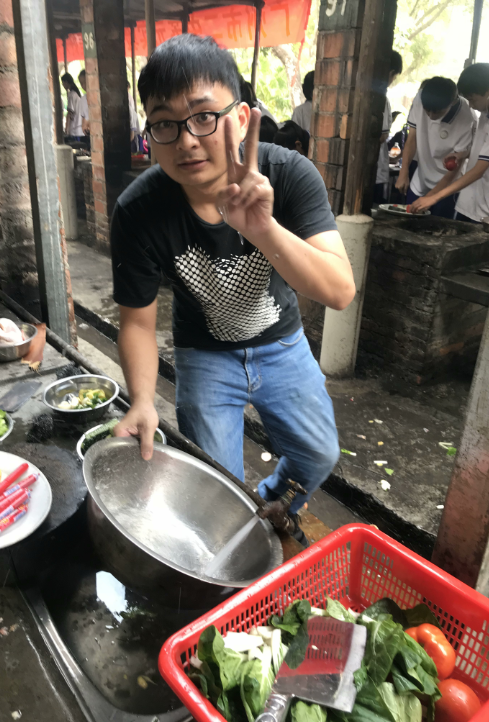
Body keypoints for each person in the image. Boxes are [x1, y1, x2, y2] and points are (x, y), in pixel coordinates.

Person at [110, 34, 355, 541]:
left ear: (241, 118)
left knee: (318, 454)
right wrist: (142, 400)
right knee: (214, 484)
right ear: (150, 133)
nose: (186, 140)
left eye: (204, 116)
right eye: (165, 123)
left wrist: (262, 229)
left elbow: (338, 291)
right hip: (203, 354)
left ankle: (273, 501)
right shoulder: (138, 210)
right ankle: (237, 536)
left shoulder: (288, 174)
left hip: (281, 342)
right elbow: (136, 321)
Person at [410, 64, 489, 223]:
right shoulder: (484, 114)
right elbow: (482, 151)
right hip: (471, 201)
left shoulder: (472, 116)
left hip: (484, 207)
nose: (470, 105)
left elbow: (479, 170)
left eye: (472, 99)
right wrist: (463, 154)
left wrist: (434, 197)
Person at [396, 77, 476, 218]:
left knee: (438, 228)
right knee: (408, 221)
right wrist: (404, 172)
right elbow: (412, 139)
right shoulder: (421, 97)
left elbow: (457, 165)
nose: (431, 116)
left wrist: (431, 197)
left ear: (452, 102)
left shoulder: (467, 117)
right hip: (420, 178)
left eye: (437, 112)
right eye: (427, 111)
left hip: (447, 184)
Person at [374, 51, 402, 205]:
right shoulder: (381, 99)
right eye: (394, 77)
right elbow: (382, 136)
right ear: (390, 73)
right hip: (375, 170)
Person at [61, 72, 82, 140]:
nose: (63, 85)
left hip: (74, 129)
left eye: (63, 83)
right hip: (79, 128)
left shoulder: (71, 94)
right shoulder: (76, 93)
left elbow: (69, 113)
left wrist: (66, 128)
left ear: (66, 82)